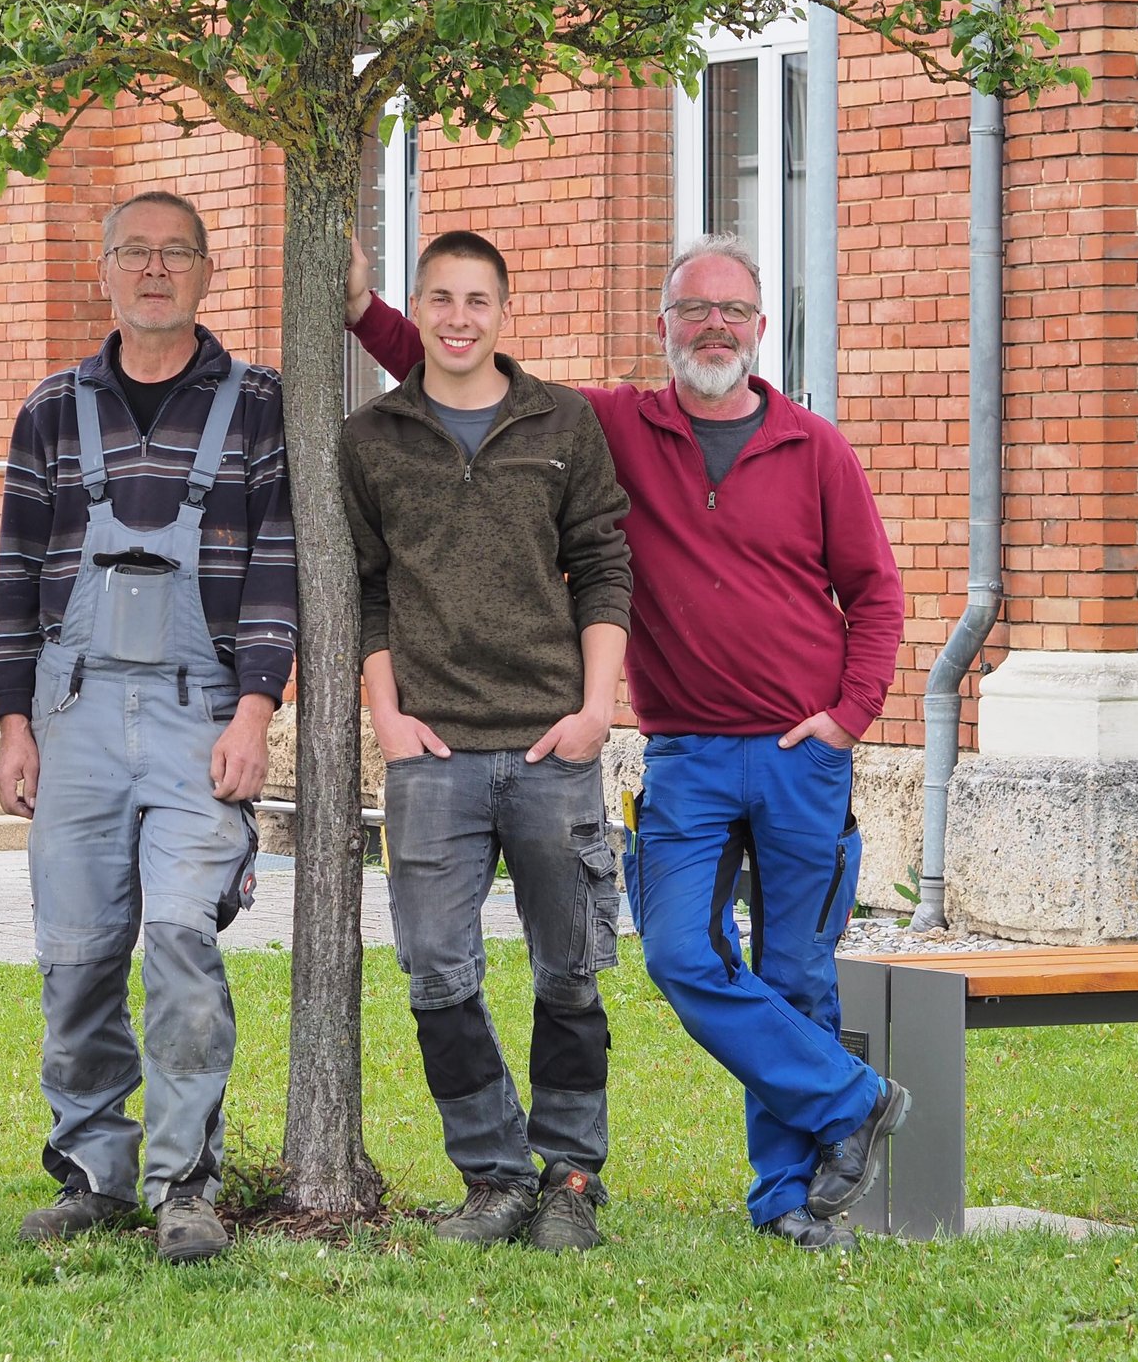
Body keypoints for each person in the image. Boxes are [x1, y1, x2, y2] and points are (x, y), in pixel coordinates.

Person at [348, 234, 909, 1252]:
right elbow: (461, 367)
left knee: (797, 976)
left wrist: (848, 718)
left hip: (800, 755)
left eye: (734, 312)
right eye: (694, 311)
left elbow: (874, 593)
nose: (714, 329)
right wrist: (362, 309)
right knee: (684, 955)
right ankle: (852, 1097)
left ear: (760, 330)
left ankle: (789, 1197)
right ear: (663, 328)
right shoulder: (606, 424)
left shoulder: (815, 447)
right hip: (686, 751)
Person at [0, 190, 293, 1265]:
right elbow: (17, 574)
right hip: (70, 717)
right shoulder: (49, 411)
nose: (155, 271)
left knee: (177, 940)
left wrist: (258, 707)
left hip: (199, 714)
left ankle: (184, 1183)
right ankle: (90, 1169)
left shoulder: (258, 406)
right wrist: (11, 720)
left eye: (177, 254)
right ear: (104, 271)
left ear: (208, 273)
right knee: (75, 954)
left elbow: (275, 569)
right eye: (135, 253)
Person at [338, 230, 632, 1251]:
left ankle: (572, 1177)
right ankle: (495, 1174)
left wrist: (596, 710)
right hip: (433, 753)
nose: (459, 317)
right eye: (441, 298)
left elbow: (602, 567)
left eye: (478, 299)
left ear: (505, 311)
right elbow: (365, 589)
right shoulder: (372, 435)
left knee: (568, 969)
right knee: (436, 971)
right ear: (415, 308)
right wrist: (386, 713)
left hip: (553, 742)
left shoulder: (564, 424)